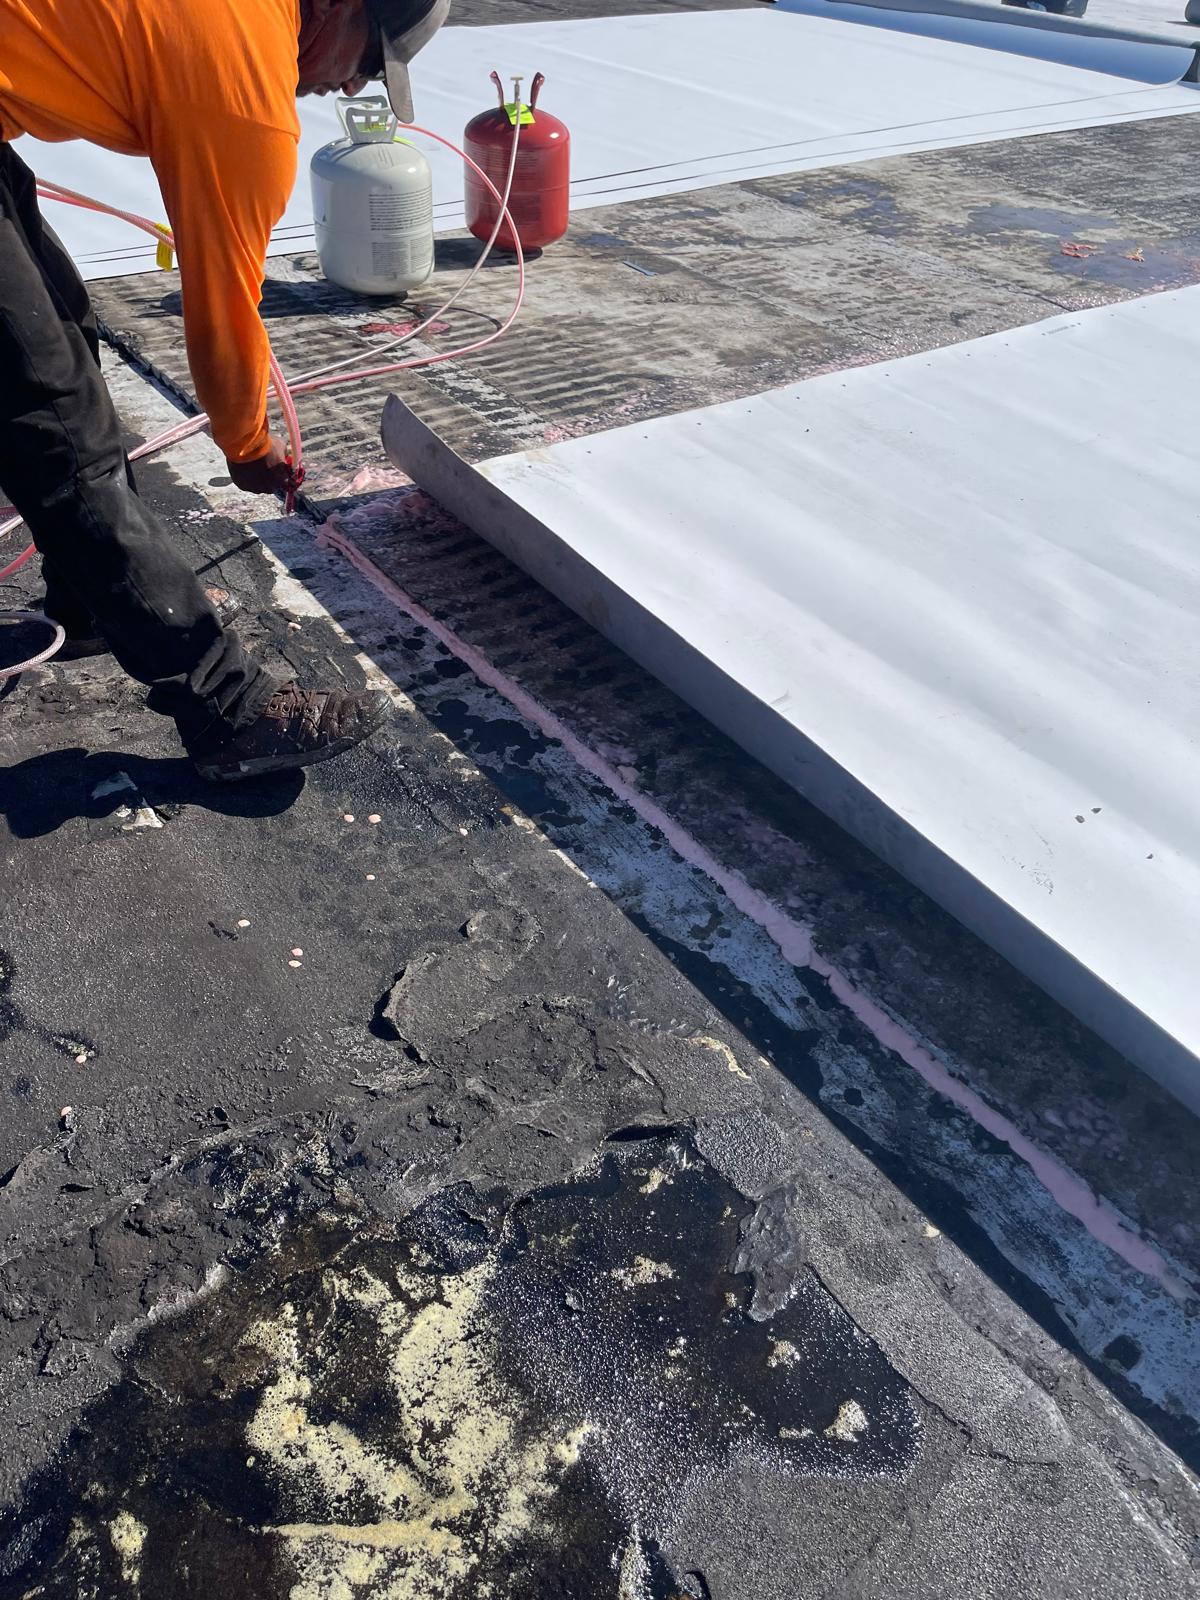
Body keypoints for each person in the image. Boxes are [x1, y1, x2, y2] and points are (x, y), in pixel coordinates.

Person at [0, 0, 448, 780]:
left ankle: (94, 602)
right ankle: (228, 710)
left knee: (64, 325)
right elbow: (223, 310)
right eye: (369, 60)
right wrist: (247, 444)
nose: (352, 86)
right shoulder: (248, 90)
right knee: (58, 426)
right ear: (339, 6)